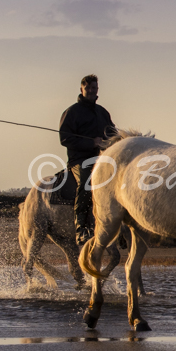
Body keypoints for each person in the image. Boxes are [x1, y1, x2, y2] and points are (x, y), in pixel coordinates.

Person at [59, 75, 116, 247]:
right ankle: (81, 228)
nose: (91, 91)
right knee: (86, 183)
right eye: (88, 88)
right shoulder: (71, 112)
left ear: (97, 90)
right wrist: (91, 143)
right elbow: (64, 139)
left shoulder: (103, 113)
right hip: (80, 160)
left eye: (94, 88)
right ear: (81, 89)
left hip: (101, 159)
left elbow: (113, 134)